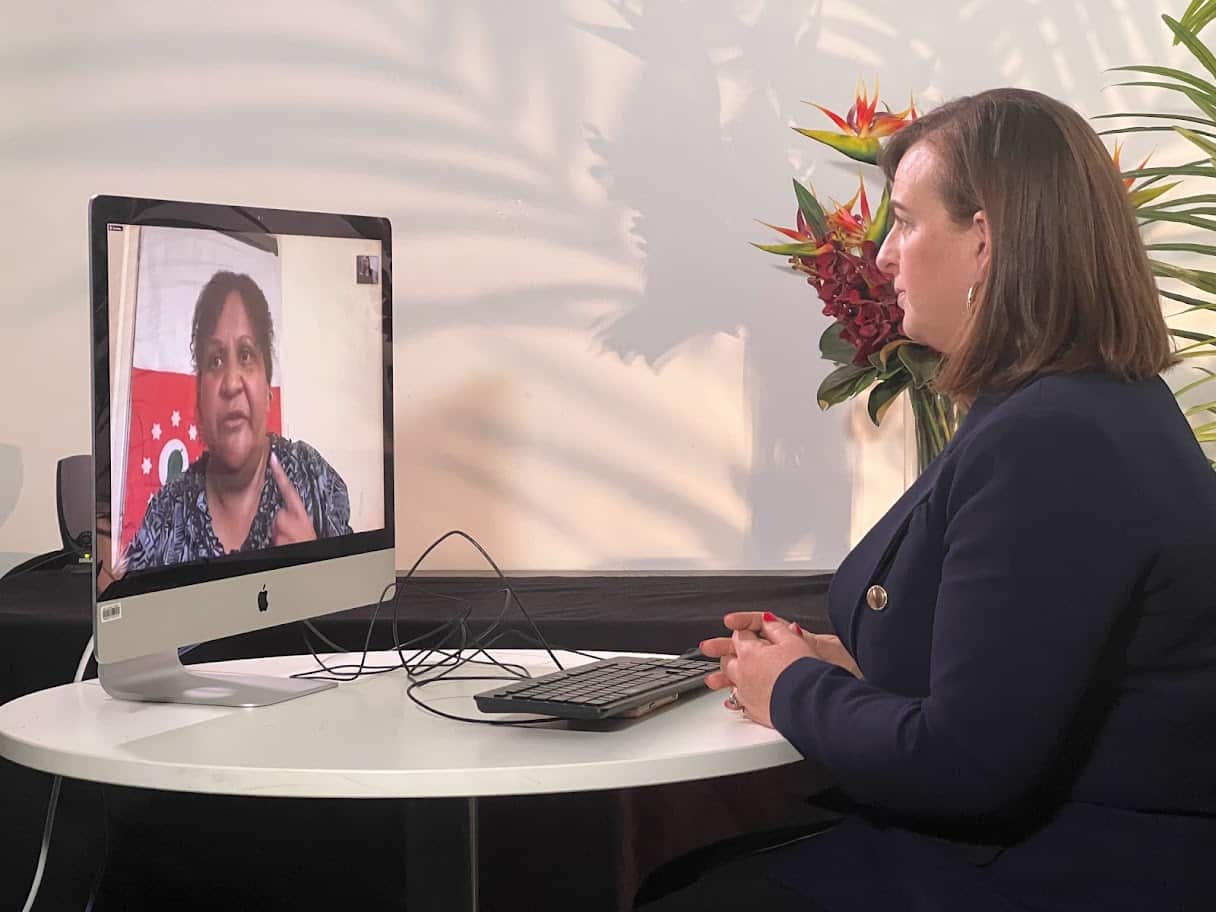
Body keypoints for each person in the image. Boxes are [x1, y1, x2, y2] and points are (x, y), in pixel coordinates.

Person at [638, 88, 1216, 910]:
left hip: (1071, 870)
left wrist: (796, 690)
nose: (881, 259)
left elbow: (969, 765)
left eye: (905, 222)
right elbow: (1028, 677)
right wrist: (847, 672)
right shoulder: (1094, 404)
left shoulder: (1052, 440)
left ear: (984, 242)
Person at [123, 271, 351, 572]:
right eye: (215, 361)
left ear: (268, 388)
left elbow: (359, 606)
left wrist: (313, 570)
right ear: (199, 398)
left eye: (246, 355)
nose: (231, 383)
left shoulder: (313, 479)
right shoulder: (165, 517)